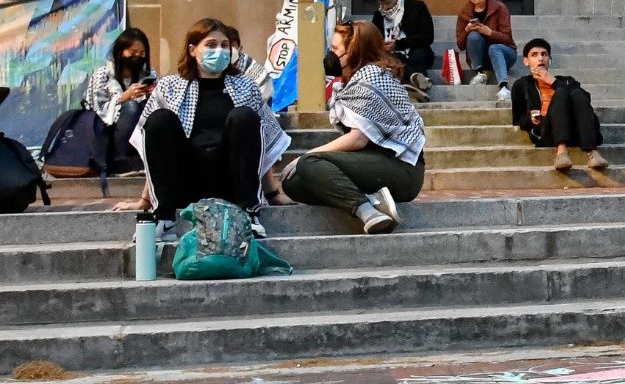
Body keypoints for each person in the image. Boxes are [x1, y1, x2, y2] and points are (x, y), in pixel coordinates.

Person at [128, 17, 291, 241]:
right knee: (159, 119)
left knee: (244, 116)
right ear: (193, 50)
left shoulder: (246, 86)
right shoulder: (169, 86)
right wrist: (146, 199)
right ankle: (163, 218)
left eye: (225, 45)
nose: (220, 50)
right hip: (186, 178)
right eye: (211, 45)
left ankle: (247, 215)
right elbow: (154, 147)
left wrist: (273, 193)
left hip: (229, 179)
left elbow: (261, 146)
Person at [283, 23, 427, 234]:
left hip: (402, 168)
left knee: (309, 163)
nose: (331, 55)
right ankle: (371, 201)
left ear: (354, 50)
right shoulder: (355, 79)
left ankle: (369, 213)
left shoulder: (371, 78)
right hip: (375, 163)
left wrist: (307, 156)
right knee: (292, 183)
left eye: (336, 49)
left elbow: (358, 140)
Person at [508, 38, 608, 172]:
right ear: (526, 61)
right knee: (561, 93)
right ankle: (561, 153)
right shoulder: (521, 85)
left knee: (576, 93)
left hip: (576, 129)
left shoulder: (567, 81)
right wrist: (530, 119)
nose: (540, 58)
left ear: (550, 59)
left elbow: (585, 99)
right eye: (534, 55)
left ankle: (593, 153)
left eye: (544, 54)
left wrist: (553, 81)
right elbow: (517, 119)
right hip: (548, 131)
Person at [82, 27, 155, 175]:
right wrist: (123, 98)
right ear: (121, 52)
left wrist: (154, 94)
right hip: (108, 135)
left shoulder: (149, 74)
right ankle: (119, 161)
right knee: (131, 107)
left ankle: (144, 159)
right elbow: (96, 110)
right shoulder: (103, 74)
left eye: (141, 53)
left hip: (138, 134)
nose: (137, 57)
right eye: (132, 53)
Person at [369, 0, 435, 97]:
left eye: (387, 3)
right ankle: (417, 79)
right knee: (390, 59)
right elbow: (374, 40)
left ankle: (413, 81)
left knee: (418, 55)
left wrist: (399, 44)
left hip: (416, 51)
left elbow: (427, 37)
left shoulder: (417, 7)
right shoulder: (378, 16)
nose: (385, 8)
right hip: (392, 55)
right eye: (381, 4)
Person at [458, 0, 517, 101]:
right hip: (481, 56)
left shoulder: (500, 8)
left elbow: (508, 39)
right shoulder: (465, 12)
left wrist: (489, 32)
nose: (476, 1)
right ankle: (480, 73)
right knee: (473, 36)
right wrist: (466, 30)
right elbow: (460, 44)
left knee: (494, 48)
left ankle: (503, 87)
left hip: (504, 53)